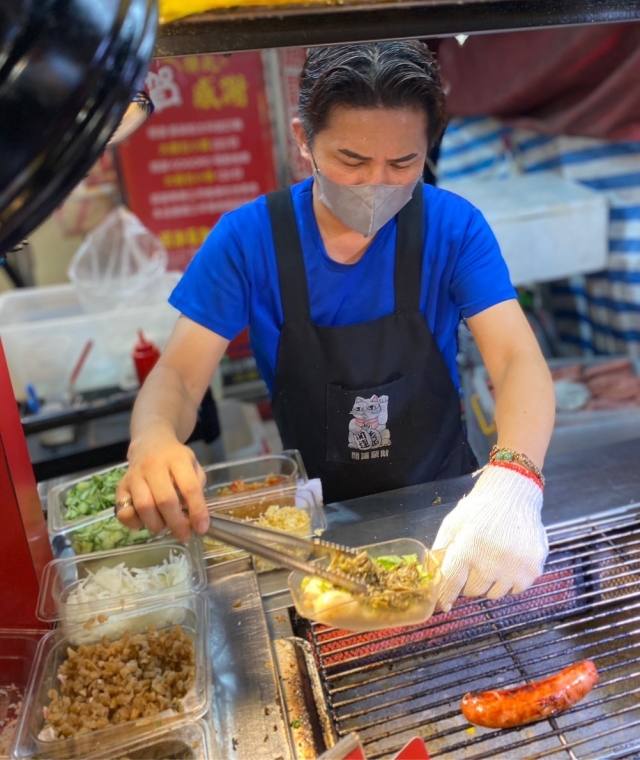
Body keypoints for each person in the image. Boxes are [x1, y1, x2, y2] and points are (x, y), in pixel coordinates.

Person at [115, 41, 555, 611]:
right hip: (320, 533)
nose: (377, 183)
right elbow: (177, 372)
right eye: (351, 160)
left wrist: (514, 481)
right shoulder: (249, 240)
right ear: (304, 140)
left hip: (454, 513)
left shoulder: (453, 227)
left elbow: (517, 359)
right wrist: (151, 438)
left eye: (402, 164)